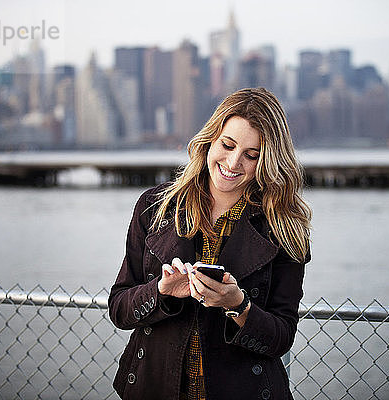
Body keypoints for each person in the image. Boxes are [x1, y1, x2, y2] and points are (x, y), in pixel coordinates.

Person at [108, 87, 311, 400]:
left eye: (251, 155)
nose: (233, 162)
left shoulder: (285, 227)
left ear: (268, 160)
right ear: (210, 140)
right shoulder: (154, 207)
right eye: (227, 145)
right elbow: (120, 309)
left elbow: (281, 337)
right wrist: (161, 292)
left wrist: (238, 305)